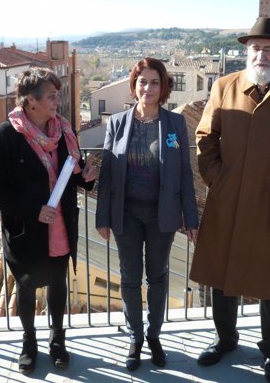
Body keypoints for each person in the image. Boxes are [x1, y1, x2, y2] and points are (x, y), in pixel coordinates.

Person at [190, 17, 270, 383]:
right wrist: (217, 177)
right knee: (221, 272)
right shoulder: (224, 86)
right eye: (255, 48)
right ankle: (225, 339)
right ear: (247, 51)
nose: (261, 55)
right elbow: (205, 136)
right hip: (226, 200)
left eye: (268, 48)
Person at [0, 67, 96, 375]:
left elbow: (74, 170)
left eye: (57, 95)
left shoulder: (63, 132)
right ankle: (29, 342)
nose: (58, 101)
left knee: (58, 282)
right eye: (52, 96)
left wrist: (86, 177)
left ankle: (57, 340)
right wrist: (32, 210)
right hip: (26, 227)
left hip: (60, 224)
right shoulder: (5, 136)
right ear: (30, 101)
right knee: (27, 284)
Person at [96, 57, 199, 371]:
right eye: (143, 81)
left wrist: (191, 218)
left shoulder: (174, 125)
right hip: (126, 215)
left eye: (155, 82)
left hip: (161, 216)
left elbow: (184, 173)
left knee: (157, 277)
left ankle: (154, 335)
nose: (148, 87)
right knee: (129, 278)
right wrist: (102, 217)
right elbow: (108, 175)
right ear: (134, 84)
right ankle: (135, 336)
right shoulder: (117, 123)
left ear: (163, 86)